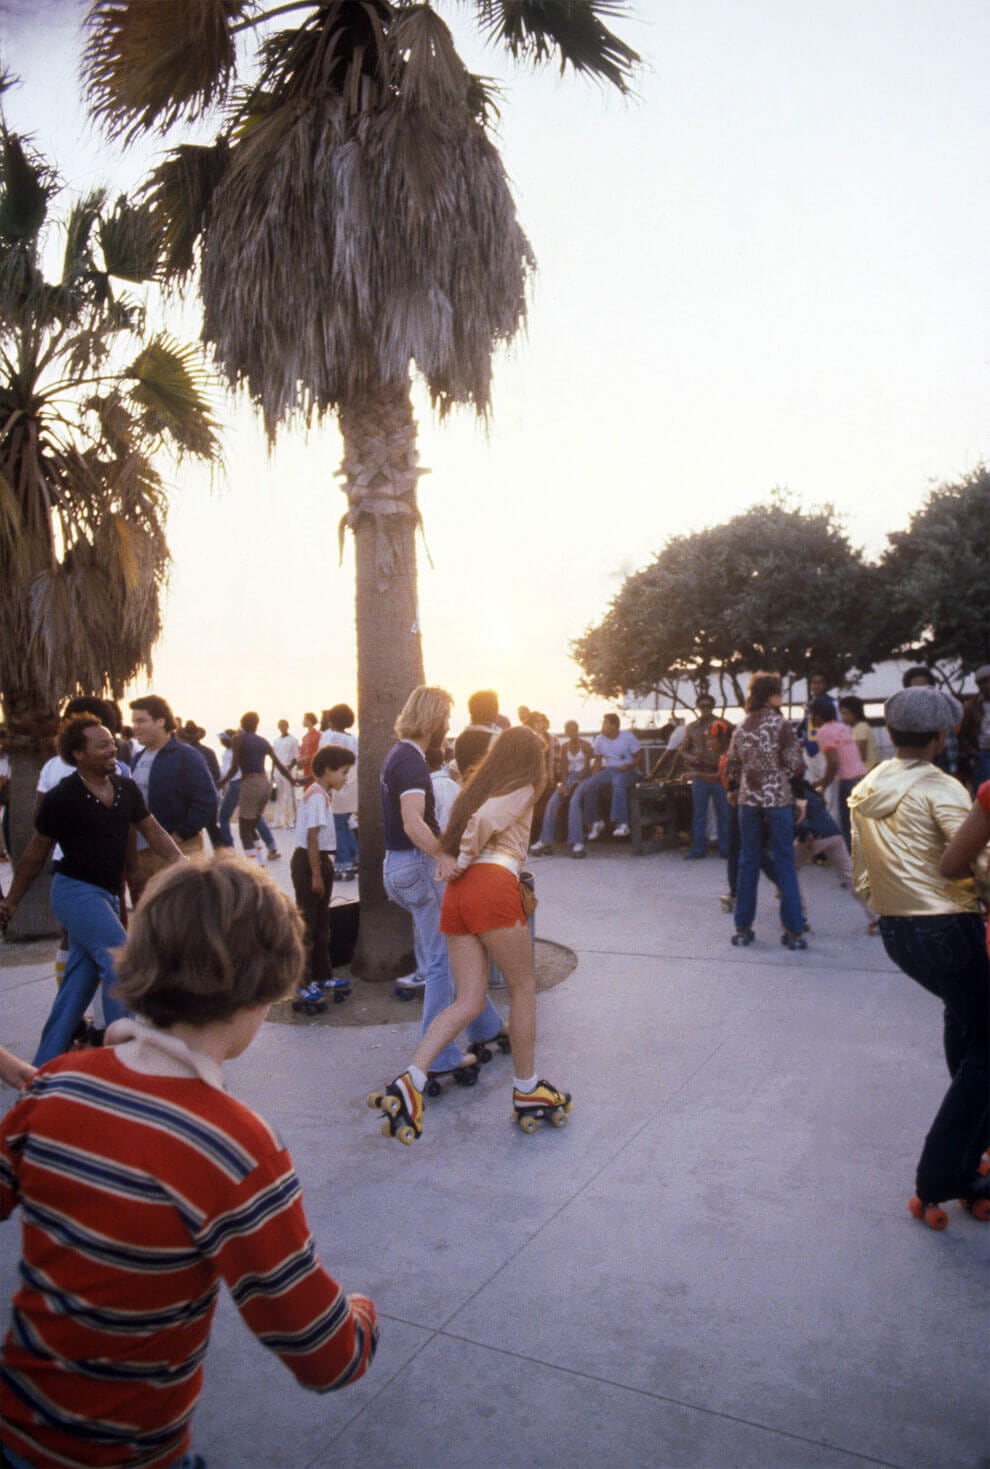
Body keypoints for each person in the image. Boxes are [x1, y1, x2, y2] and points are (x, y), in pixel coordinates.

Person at [0, 859, 379, 1468]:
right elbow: (319, 1351)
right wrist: (361, 1319)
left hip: (18, 1429)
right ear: (264, 989)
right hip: (133, 1454)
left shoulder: (56, 1086)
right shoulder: (235, 1149)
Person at [370, 726, 571, 1142]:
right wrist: (461, 859)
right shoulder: (524, 784)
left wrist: (458, 864)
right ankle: (527, 1088)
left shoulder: (477, 787)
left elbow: (473, 818)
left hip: (459, 896)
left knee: (468, 1000)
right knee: (522, 988)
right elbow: (486, 822)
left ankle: (410, 1081)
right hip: (491, 884)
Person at [849, 686, 989, 1228]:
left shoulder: (868, 784)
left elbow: (863, 871)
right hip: (949, 929)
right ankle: (946, 1175)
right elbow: (977, 860)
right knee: (985, 1052)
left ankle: (970, 1140)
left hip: (896, 931)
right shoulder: (942, 786)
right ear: (939, 735)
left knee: (967, 1020)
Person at [0, 715, 185, 1066]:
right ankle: (118, 1063)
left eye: (111, 742)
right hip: (74, 892)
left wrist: (181, 862)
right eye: (101, 745)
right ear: (78, 754)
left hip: (108, 896)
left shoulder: (126, 789)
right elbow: (36, 853)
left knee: (75, 991)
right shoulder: (62, 797)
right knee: (122, 960)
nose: (111, 748)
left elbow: (154, 829)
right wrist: (11, 902)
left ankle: (42, 1071)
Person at [380, 686, 502, 1057]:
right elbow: (412, 819)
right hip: (417, 866)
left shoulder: (397, 756)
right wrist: (441, 855)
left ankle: (487, 1026)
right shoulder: (414, 763)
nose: (447, 727)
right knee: (443, 962)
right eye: (445, 720)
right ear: (433, 720)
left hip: (397, 866)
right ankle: (439, 1056)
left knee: (453, 952)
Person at [725, 672, 807, 949]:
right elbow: (795, 764)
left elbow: (732, 765)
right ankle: (794, 932)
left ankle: (743, 929)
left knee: (749, 861)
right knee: (785, 862)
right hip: (778, 800)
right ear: (772, 695)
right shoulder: (782, 725)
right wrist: (789, 787)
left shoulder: (742, 725)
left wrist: (735, 790)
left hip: (748, 801)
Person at [291, 744, 355, 1005]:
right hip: (310, 861)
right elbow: (312, 836)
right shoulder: (316, 795)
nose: (345, 778)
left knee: (321, 924)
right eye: (343, 772)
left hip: (319, 861)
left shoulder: (320, 794)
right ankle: (302, 982)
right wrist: (316, 874)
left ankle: (321, 975)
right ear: (327, 770)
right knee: (307, 925)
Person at [129, 694, 218, 881]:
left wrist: (179, 835)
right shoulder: (137, 759)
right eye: (133, 722)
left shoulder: (186, 756)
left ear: (160, 721)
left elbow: (207, 801)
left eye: (141, 721)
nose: (135, 727)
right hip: (142, 853)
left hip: (179, 851)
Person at [217, 712, 297, 861]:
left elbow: (234, 767)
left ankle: (253, 866)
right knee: (252, 822)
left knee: (244, 828)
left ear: (242, 724)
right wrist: (293, 780)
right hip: (265, 783)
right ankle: (261, 860)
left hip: (250, 782)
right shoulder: (264, 741)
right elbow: (279, 764)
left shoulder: (237, 739)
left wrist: (220, 784)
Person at [568, 713, 642, 856]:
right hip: (610, 770)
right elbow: (597, 760)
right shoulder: (600, 739)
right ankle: (596, 822)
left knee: (618, 782)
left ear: (614, 726)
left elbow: (639, 757)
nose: (602, 726)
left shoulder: (627, 737)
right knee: (590, 785)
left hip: (629, 770)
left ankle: (622, 823)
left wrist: (627, 766)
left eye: (605, 723)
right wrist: (595, 778)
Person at [808, 694, 867, 851]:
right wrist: (822, 782)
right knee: (861, 827)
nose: (810, 719)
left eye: (811, 715)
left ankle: (852, 866)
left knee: (848, 828)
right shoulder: (841, 728)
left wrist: (821, 787)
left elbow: (834, 763)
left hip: (848, 782)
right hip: (862, 778)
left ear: (818, 717)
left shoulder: (824, 732)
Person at [680, 693, 731, 860]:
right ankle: (698, 848)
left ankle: (726, 848)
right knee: (699, 813)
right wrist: (691, 758)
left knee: (724, 812)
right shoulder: (691, 727)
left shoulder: (723, 725)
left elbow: (733, 747)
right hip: (700, 774)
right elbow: (683, 749)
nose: (706, 709)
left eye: (709, 706)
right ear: (698, 707)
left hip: (719, 774)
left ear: (713, 707)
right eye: (702, 706)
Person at [530, 720, 593, 856]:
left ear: (577, 729)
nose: (571, 732)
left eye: (573, 729)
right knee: (552, 802)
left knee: (574, 802)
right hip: (570, 778)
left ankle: (577, 842)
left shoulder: (586, 746)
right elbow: (564, 769)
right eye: (568, 730)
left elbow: (588, 769)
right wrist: (564, 785)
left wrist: (574, 784)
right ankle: (545, 840)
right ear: (566, 732)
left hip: (584, 779)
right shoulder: (565, 747)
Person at [318, 704, 359, 879]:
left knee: (337, 826)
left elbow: (323, 760)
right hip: (352, 786)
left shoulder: (329, 736)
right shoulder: (353, 739)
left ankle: (344, 865)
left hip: (337, 787)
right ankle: (355, 857)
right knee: (343, 824)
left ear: (331, 719)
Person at [959, 664, 990, 792]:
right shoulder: (970, 706)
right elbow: (962, 735)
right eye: (985, 682)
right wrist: (973, 754)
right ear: (979, 685)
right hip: (983, 754)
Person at [273, 717, 301, 827]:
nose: (282, 727)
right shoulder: (276, 741)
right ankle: (278, 821)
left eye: (284, 725)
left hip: (288, 770)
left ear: (287, 727)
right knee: (279, 796)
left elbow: (296, 757)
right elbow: (274, 757)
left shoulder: (293, 740)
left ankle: (292, 821)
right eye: (280, 725)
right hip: (278, 770)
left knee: (289, 796)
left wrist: (289, 767)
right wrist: (272, 774)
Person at [838, 695, 878, 771]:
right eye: (842, 713)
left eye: (845, 713)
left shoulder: (861, 727)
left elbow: (860, 755)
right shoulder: (855, 728)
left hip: (866, 771)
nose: (843, 717)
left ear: (856, 713)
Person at [298, 710, 320, 781]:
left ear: (309, 720)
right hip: (306, 768)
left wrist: (307, 757)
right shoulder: (305, 737)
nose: (303, 721)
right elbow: (302, 752)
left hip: (314, 767)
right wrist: (300, 759)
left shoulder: (317, 735)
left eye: (304, 719)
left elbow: (318, 751)